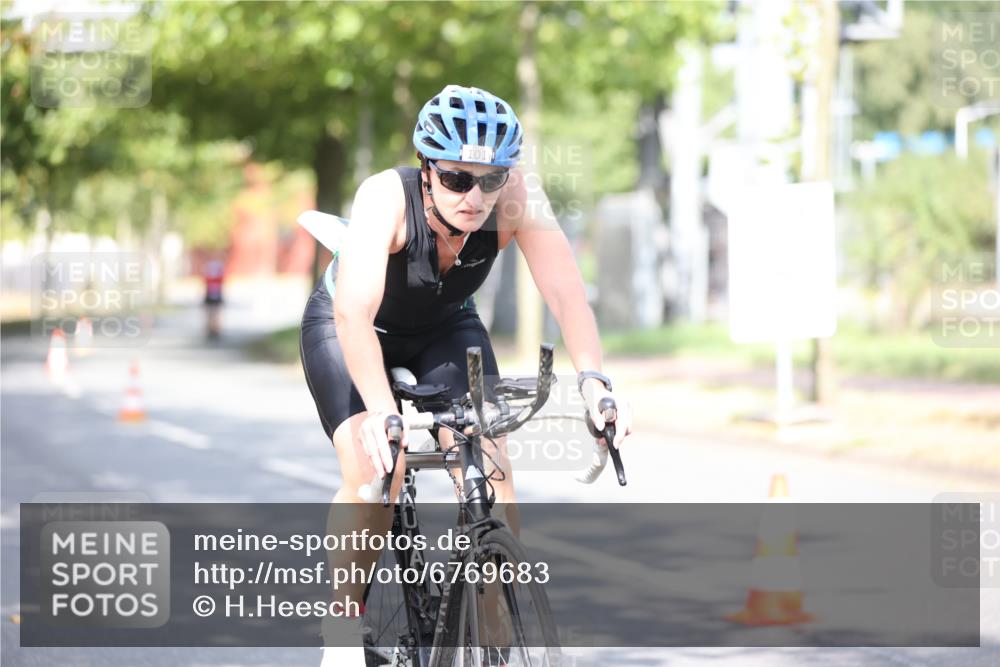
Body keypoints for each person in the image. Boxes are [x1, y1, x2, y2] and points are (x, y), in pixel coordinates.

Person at [299, 84, 633, 664]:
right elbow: (355, 314)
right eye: (457, 179)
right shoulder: (387, 197)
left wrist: (595, 383)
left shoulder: (517, 199)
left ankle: (495, 634)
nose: (475, 197)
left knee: (494, 463)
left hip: (446, 325)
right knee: (380, 464)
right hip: (352, 324)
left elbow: (567, 293)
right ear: (428, 170)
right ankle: (342, 628)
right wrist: (382, 412)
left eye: (491, 179)